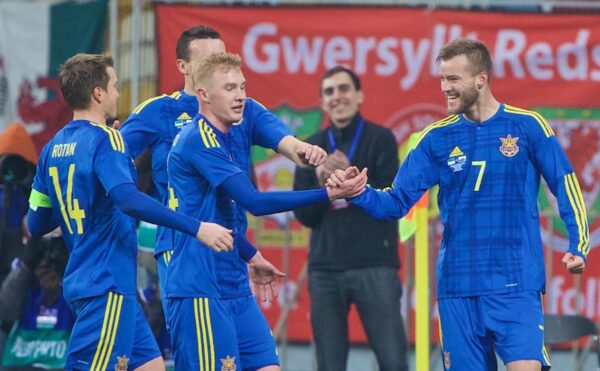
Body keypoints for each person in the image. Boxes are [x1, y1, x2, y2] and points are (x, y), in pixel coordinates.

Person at [329, 38, 589, 371]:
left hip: (515, 283)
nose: (444, 88)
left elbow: (564, 183)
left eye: (453, 79)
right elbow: (395, 203)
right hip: (457, 288)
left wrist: (579, 244)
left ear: (481, 78)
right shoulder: (433, 139)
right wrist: (358, 193)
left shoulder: (527, 126)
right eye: (441, 79)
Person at [26, 53, 234, 370]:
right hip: (106, 282)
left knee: (151, 366)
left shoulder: (52, 148)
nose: (118, 94)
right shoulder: (107, 139)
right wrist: (196, 227)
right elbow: (129, 200)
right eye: (114, 86)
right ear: (98, 93)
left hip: (90, 280)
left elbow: (37, 222)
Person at [166, 52, 366, 371]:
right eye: (230, 88)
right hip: (200, 289)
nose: (241, 95)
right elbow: (255, 203)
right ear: (202, 94)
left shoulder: (242, 119)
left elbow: (284, 141)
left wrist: (306, 152)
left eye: (243, 86)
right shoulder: (197, 138)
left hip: (234, 282)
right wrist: (329, 193)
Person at [118, 25, 327, 317]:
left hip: (232, 245)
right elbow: (111, 157)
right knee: (194, 346)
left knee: (245, 357)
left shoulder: (245, 108)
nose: (218, 66)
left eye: (222, 57)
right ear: (183, 66)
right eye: (207, 60)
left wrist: (302, 151)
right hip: (182, 245)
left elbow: (287, 143)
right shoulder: (160, 111)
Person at [293, 66, 408, 371]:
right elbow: (304, 215)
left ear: (359, 95)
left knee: (394, 362)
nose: (337, 97)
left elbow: (390, 200)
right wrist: (321, 181)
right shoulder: (308, 147)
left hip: (375, 265)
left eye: (344, 89)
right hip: (325, 270)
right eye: (329, 92)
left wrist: (349, 179)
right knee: (329, 365)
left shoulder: (381, 139)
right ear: (321, 102)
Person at [0, 233, 73, 370]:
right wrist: (26, 267)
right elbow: (4, 313)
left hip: (62, 360)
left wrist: (67, 273)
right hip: (19, 360)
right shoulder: (24, 271)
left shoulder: (75, 273)